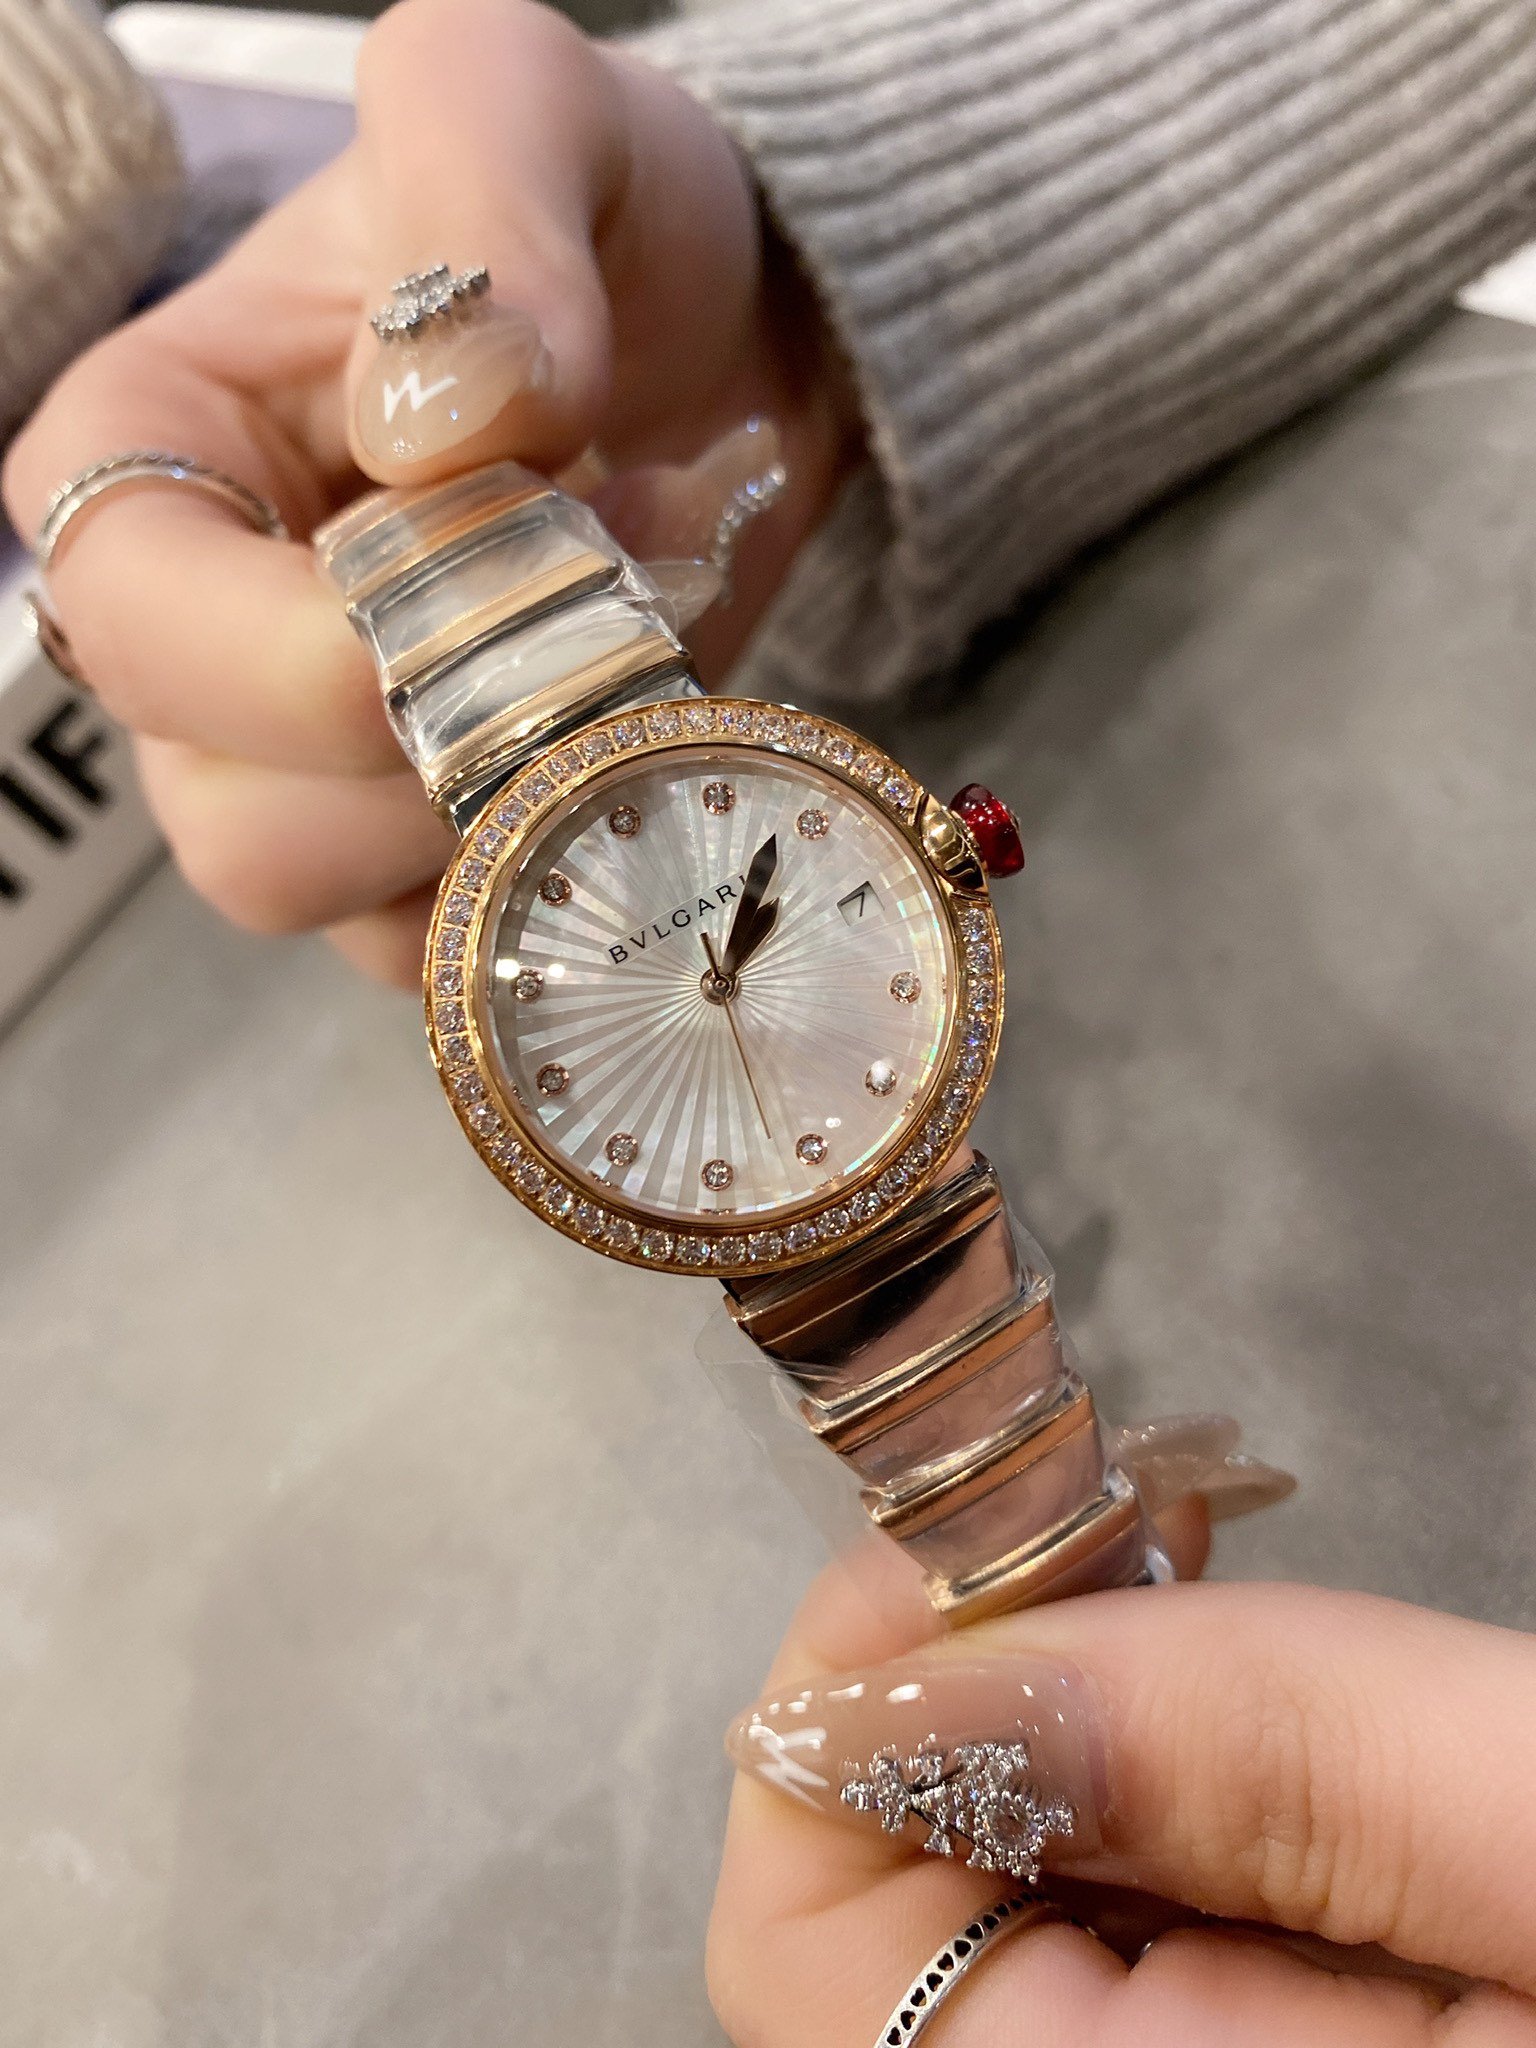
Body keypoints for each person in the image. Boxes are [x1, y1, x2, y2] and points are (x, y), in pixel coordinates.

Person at [9, 0, 1536, 2036]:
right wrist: (804, 305)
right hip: (787, 1167)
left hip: (849, 1131)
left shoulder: (811, 879)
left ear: (946, 847)